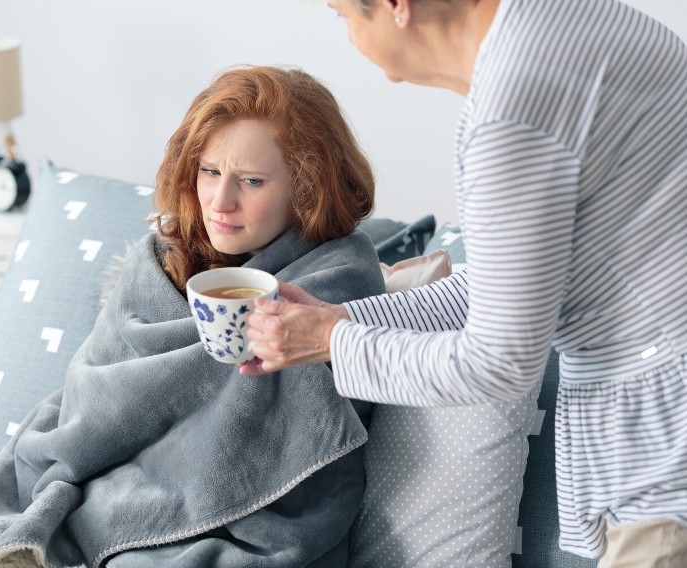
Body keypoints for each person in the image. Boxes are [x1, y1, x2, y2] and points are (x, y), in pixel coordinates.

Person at [0, 65, 386, 567]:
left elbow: (311, 424)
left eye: (251, 181)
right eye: (210, 171)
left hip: (246, 516)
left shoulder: (336, 279)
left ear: (306, 185)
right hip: (113, 486)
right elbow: (93, 396)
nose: (220, 200)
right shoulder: (160, 262)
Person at [242, 0, 687, 565]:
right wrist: (344, 319)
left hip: (666, 448)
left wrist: (331, 344)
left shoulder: (510, 115)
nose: (351, 39)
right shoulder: (583, 22)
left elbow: (501, 363)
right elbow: (509, 284)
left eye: (344, 15)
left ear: (397, 7)